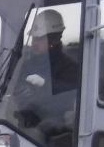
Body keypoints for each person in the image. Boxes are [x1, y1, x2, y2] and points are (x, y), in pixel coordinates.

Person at [13, 9, 80, 137]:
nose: (35, 43)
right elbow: (15, 90)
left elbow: (67, 98)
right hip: (23, 120)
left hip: (56, 125)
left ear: (55, 40)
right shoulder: (25, 65)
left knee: (35, 135)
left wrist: (45, 84)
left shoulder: (69, 67)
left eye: (41, 38)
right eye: (34, 38)